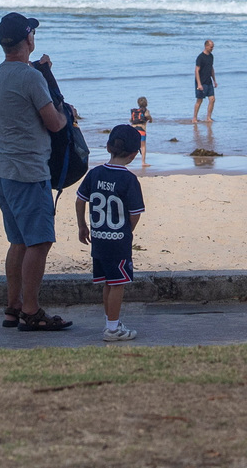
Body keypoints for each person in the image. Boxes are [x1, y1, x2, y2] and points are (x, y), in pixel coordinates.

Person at [0, 12, 72, 332]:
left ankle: (13, 307)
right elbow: (54, 123)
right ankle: (32, 310)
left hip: (5, 170)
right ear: (28, 40)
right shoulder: (30, 77)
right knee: (39, 242)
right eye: (32, 33)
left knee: (19, 242)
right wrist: (67, 116)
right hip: (29, 172)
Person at [75, 125, 146, 341]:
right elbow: (135, 213)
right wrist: (127, 231)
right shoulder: (129, 179)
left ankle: (111, 322)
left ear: (108, 147)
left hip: (99, 239)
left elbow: (80, 200)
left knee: (108, 282)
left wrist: (82, 226)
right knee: (118, 285)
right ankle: (113, 329)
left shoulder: (95, 173)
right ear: (134, 155)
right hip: (118, 241)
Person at [192, 39, 217, 123]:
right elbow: (196, 70)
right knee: (199, 100)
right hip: (201, 82)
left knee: (212, 99)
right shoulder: (200, 57)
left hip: (209, 81)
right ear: (206, 46)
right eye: (211, 47)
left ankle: (208, 117)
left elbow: (211, 68)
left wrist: (214, 80)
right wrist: (199, 84)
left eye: (213, 47)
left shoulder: (211, 56)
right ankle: (194, 118)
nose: (212, 48)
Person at [129, 96, 152, 166]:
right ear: (146, 103)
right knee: (143, 146)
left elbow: (130, 120)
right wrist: (150, 119)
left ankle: (126, 161)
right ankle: (143, 162)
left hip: (133, 129)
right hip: (141, 130)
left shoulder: (135, 112)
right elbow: (147, 116)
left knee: (130, 145)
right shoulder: (145, 110)